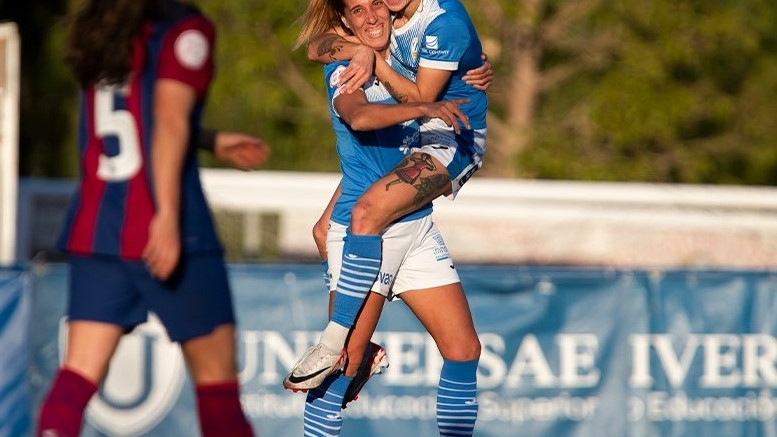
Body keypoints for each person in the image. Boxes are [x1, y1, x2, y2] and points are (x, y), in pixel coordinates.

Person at [35, 1, 269, 436]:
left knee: (77, 376)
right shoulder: (184, 30)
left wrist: (210, 139)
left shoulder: (106, 28)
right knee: (218, 390)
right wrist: (165, 218)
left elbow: (132, 118)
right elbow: (166, 119)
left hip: (99, 231)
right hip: (173, 231)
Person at [287, 0, 481, 436]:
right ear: (344, 21)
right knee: (338, 368)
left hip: (413, 223)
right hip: (366, 232)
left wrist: (478, 66)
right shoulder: (346, 63)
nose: (371, 15)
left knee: (464, 349)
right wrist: (423, 109)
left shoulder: (405, 54)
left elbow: (452, 56)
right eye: (357, 10)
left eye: (377, 3)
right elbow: (359, 116)